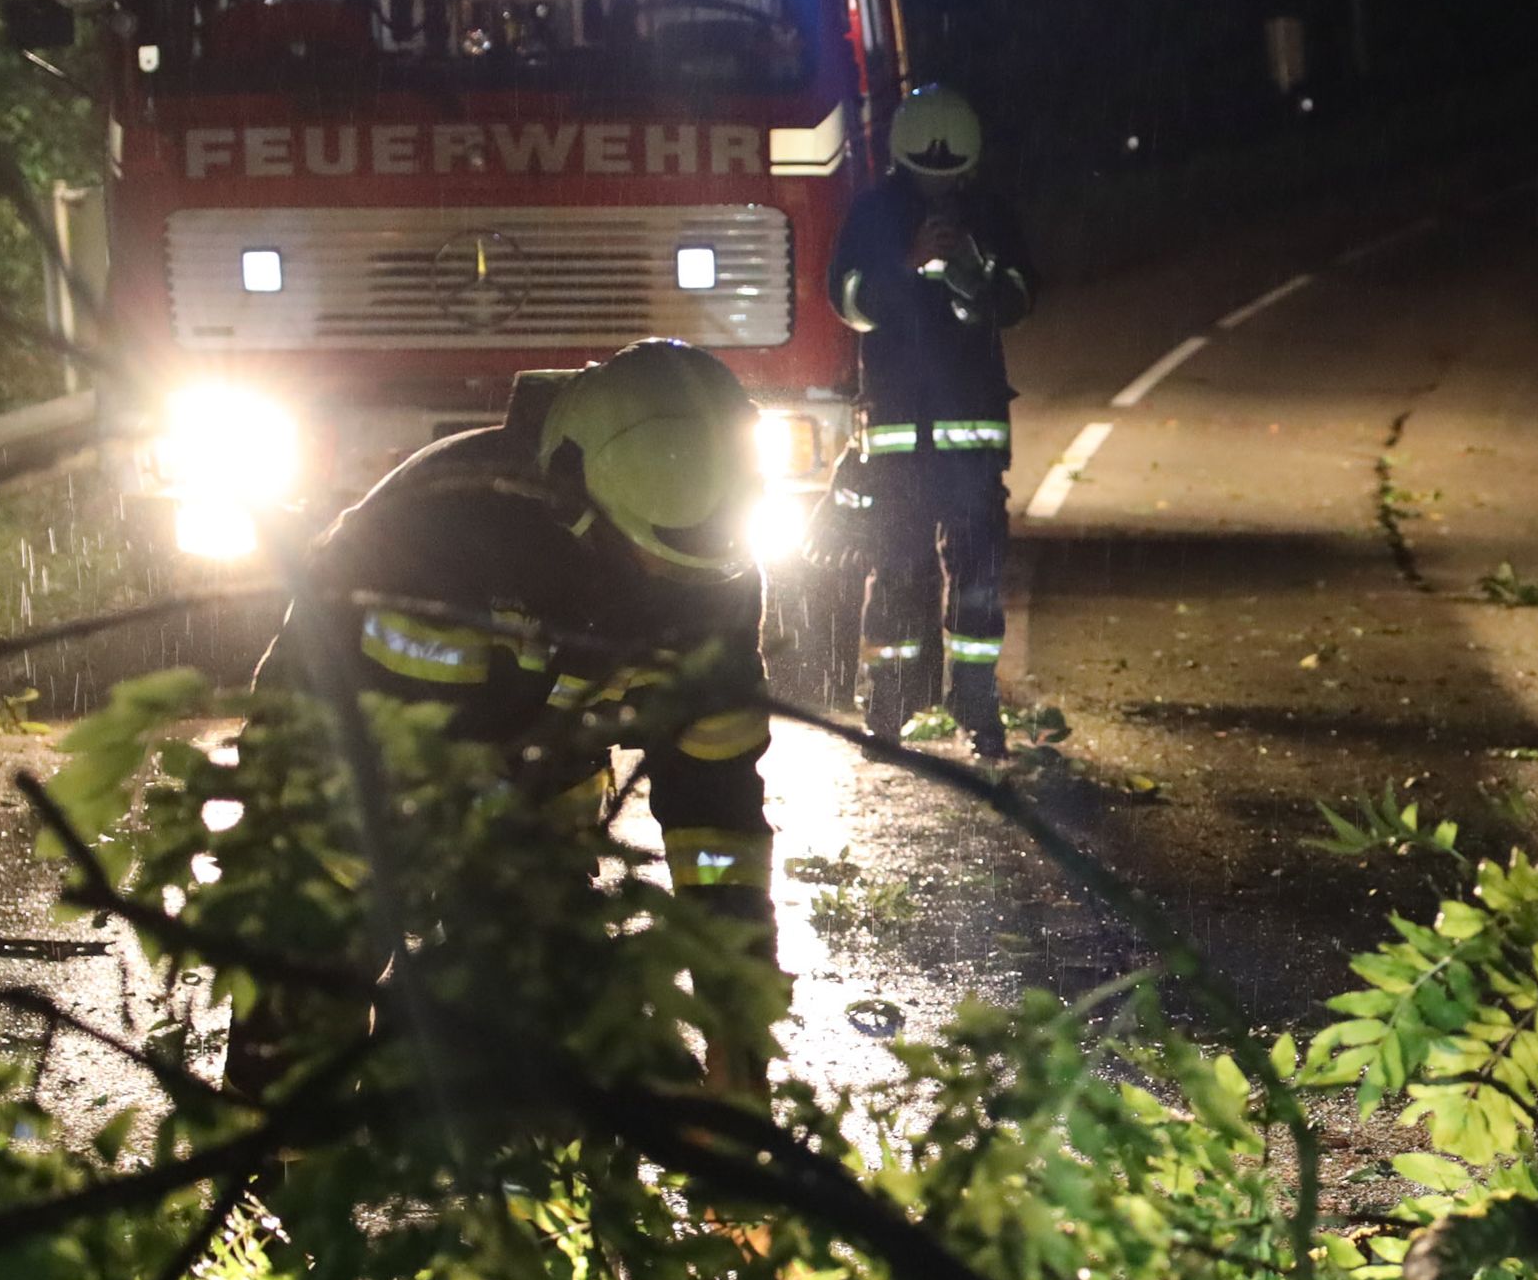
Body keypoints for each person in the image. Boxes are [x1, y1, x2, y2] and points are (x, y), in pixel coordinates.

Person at [261, 337, 780, 960]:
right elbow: (407, 761)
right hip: (343, 767)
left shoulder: (716, 572)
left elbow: (715, 798)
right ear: (575, 503)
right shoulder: (443, 539)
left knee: (543, 999)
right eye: (654, 561)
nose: (675, 591)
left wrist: (735, 993)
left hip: (533, 788)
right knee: (308, 982)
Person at [826, 83, 1033, 755]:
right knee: (896, 572)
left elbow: (1020, 296)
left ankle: (976, 703)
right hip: (898, 436)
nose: (940, 189)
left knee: (978, 576)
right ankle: (888, 709)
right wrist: (905, 264)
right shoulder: (875, 217)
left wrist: (974, 275)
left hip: (969, 436)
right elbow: (849, 301)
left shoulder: (989, 215)